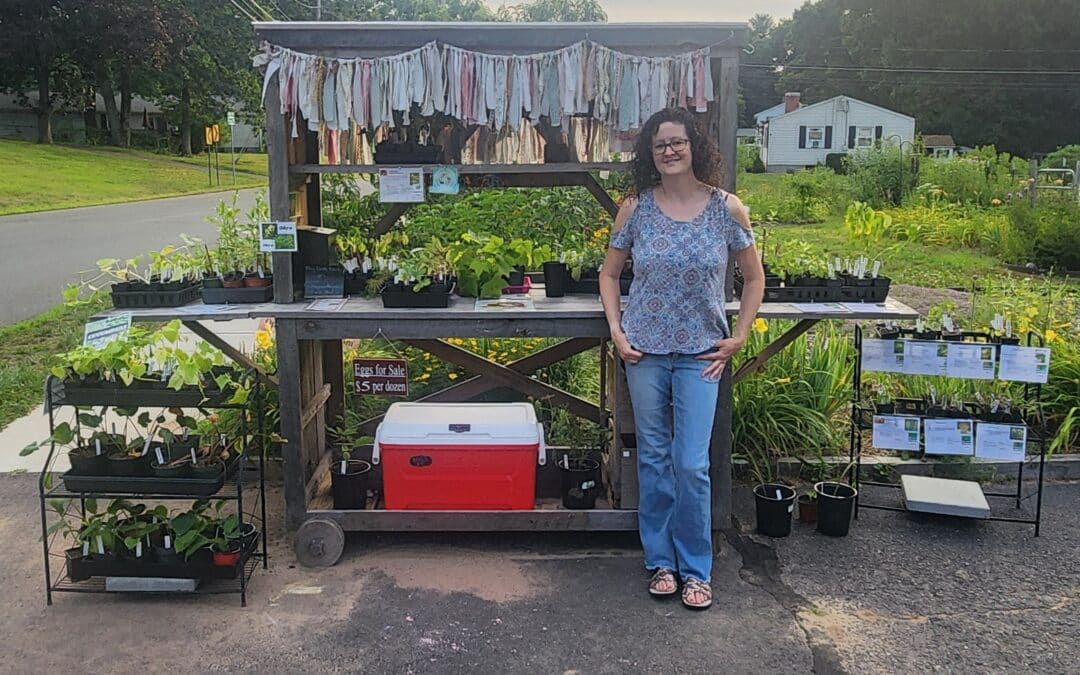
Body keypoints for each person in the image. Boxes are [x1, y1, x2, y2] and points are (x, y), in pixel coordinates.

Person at [599, 108, 765, 610]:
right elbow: (609, 275)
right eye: (660, 144)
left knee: (691, 463)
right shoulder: (635, 209)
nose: (669, 151)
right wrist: (616, 330)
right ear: (650, 154)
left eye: (678, 142)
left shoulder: (727, 209)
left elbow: (754, 279)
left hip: (701, 355)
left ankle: (696, 569)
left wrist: (739, 336)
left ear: (696, 146)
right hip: (644, 351)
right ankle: (661, 562)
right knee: (652, 458)